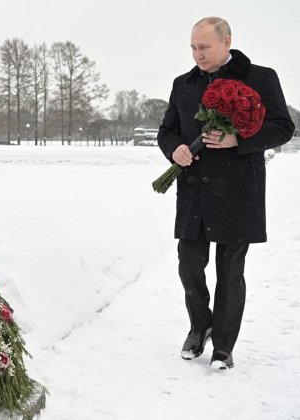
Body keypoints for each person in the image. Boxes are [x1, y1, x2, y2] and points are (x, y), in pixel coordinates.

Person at [157, 16, 295, 370]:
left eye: (204, 47)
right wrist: (175, 150)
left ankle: (223, 345)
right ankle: (199, 326)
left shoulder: (260, 77)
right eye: (193, 47)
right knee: (189, 264)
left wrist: (239, 139)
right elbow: (167, 130)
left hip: (238, 190)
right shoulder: (183, 84)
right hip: (193, 190)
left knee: (230, 270)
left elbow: (283, 127)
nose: (197, 54)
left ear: (226, 42)